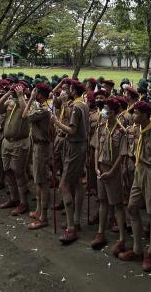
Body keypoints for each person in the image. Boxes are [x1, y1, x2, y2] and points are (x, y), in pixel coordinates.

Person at [119, 100, 151, 273]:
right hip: (139, 171)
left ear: (146, 116)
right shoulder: (136, 131)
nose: (133, 115)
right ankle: (137, 249)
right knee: (132, 208)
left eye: (136, 113)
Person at [52, 78, 89, 244]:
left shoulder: (76, 107)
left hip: (75, 146)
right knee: (78, 183)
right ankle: (75, 220)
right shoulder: (83, 104)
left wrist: (56, 123)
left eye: (69, 89)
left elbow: (72, 130)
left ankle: (71, 228)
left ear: (73, 91)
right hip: (81, 146)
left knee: (64, 185)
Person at [92, 96, 129, 255]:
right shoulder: (101, 127)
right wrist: (96, 167)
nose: (104, 112)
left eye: (107, 110)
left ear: (114, 112)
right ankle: (100, 233)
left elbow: (122, 155)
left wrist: (112, 172)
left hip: (113, 171)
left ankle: (121, 239)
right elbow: (96, 148)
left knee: (117, 205)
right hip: (101, 169)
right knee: (102, 201)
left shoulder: (121, 131)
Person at [0, 82, 31, 216]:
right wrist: (7, 94)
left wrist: (21, 96)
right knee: (8, 171)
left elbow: (26, 114)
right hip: (7, 142)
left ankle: (23, 202)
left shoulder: (28, 102)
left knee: (18, 173)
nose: (15, 91)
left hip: (19, 142)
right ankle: (14, 198)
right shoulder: (10, 102)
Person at [25, 82, 54, 229]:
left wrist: (29, 98)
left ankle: (44, 217)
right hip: (38, 146)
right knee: (38, 181)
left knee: (43, 182)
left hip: (42, 147)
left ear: (40, 95)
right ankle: (39, 211)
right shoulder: (44, 108)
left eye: (35, 92)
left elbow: (25, 115)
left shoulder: (43, 111)